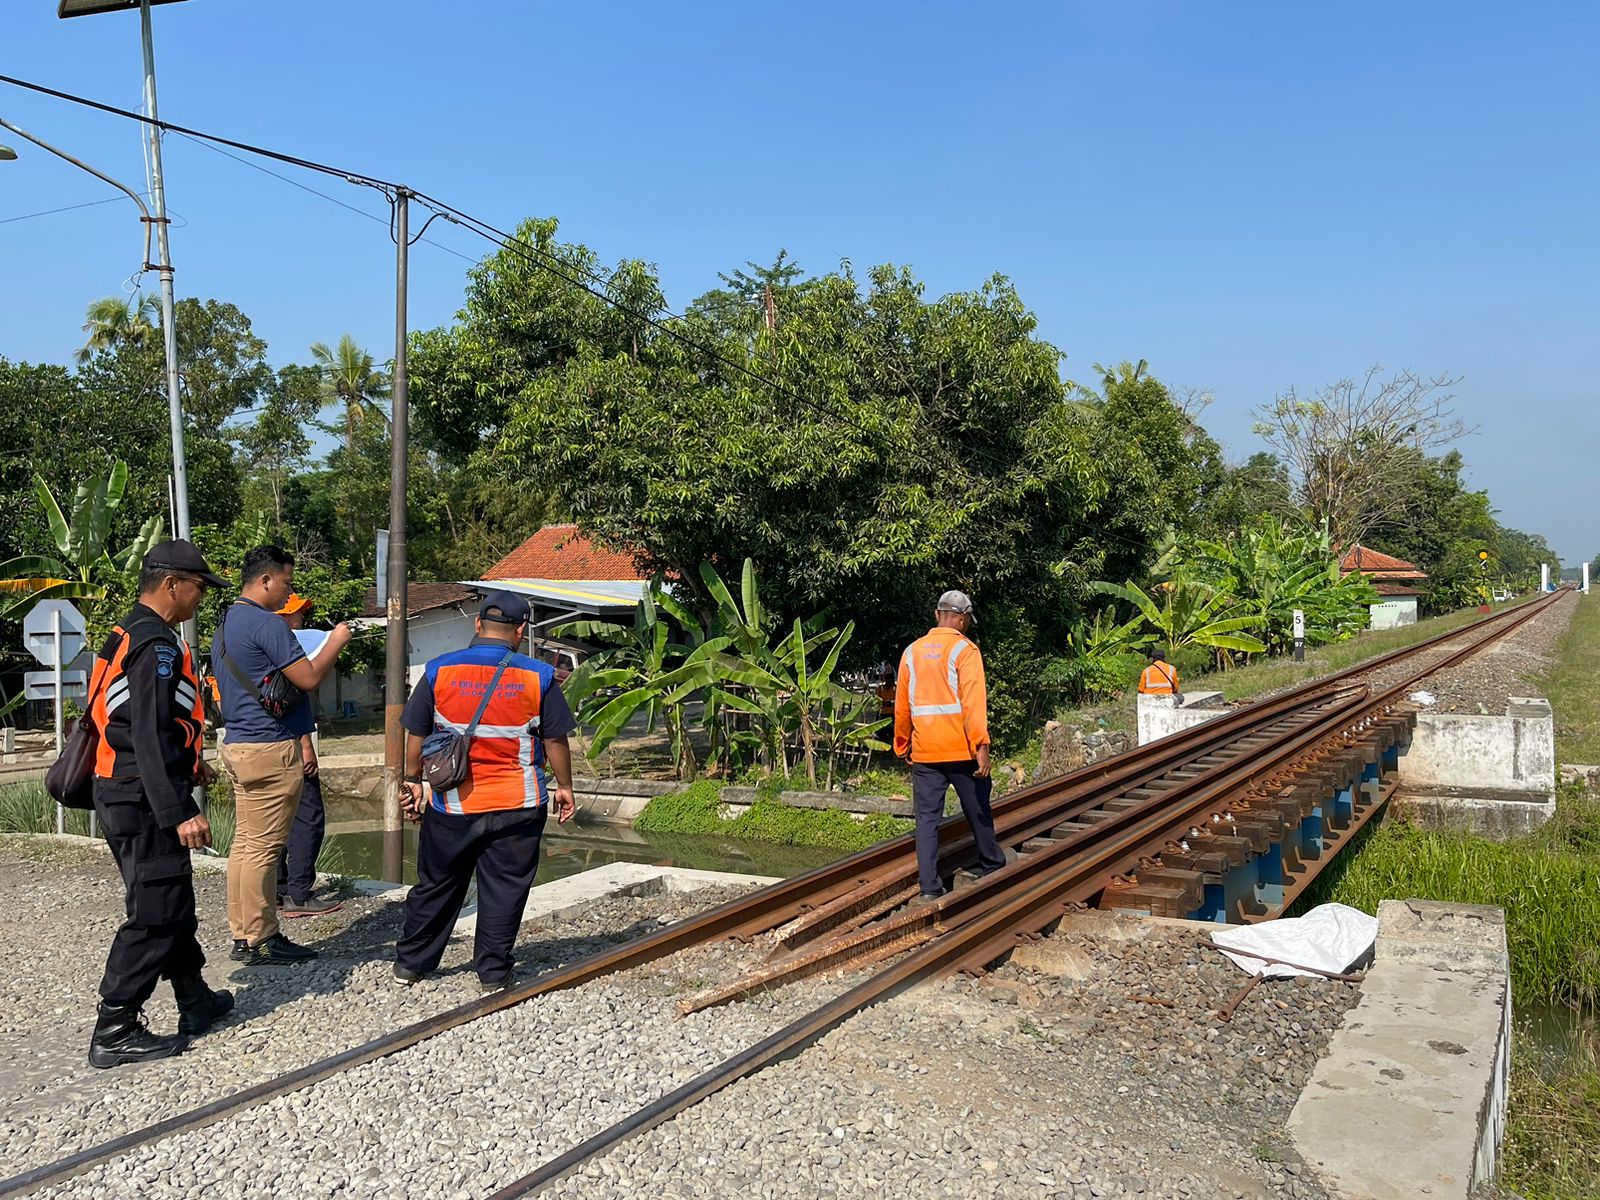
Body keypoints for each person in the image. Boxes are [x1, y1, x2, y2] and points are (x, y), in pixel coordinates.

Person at [86, 540, 234, 1068]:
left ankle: (193, 999)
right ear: (171, 584)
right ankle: (116, 1026)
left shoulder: (130, 631)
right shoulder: (156, 644)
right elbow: (146, 733)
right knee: (155, 909)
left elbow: (142, 724)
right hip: (140, 795)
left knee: (173, 900)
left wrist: (192, 761)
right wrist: (180, 809)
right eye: (197, 587)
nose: (201, 599)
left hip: (130, 787)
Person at [392, 591, 577, 994]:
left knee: (438, 882)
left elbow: (416, 735)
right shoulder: (539, 675)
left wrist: (412, 780)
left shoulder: (439, 671)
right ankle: (492, 972)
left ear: (477, 624)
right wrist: (564, 787)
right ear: (521, 630)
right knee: (505, 887)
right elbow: (556, 740)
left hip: (453, 803)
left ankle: (412, 964)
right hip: (519, 803)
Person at [214, 546, 351, 966]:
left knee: (245, 845)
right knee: (264, 849)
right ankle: (261, 938)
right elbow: (307, 677)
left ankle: (244, 931)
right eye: (287, 583)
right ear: (267, 580)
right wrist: (337, 640)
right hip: (270, 747)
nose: (288, 593)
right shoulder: (266, 624)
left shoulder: (227, 621)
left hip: (238, 742)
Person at [893, 589, 1008, 904]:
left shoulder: (912, 653)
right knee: (978, 809)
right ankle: (993, 866)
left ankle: (929, 887)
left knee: (927, 820)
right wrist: (981, 745)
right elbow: (973, 703)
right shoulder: (965, 650)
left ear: (936, 615)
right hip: (961, 751)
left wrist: (903, 744)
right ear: (962, 618)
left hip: (926, 752)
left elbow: (902, 706)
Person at [273, 592, 340, 918]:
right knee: (308, 818)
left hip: (260, 746)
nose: (301, 619)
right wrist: (305, 745)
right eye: (297, 614)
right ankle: (298, 894)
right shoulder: (290, 650)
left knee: (275, 820)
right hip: (289, 746)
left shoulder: (252, 645)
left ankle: (278, 888)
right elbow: (290, 703)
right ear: (284, 617)